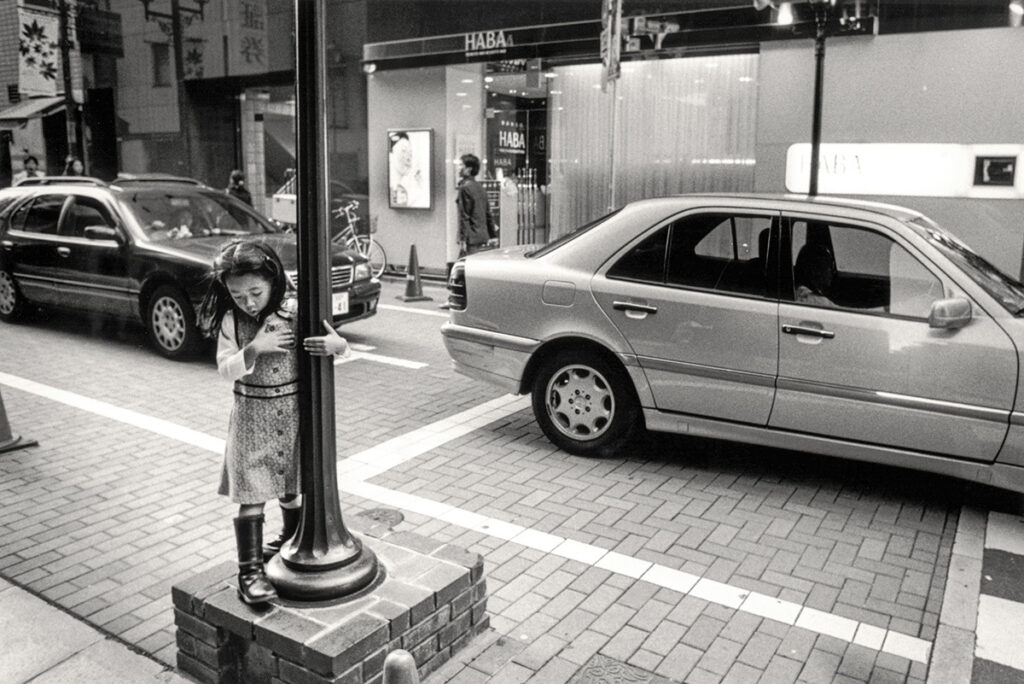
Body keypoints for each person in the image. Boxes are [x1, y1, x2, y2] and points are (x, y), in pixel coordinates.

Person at [198, 239, 352, 605]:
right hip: (252, 418)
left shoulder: (295, 312)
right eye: (238, 295)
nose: (248, 302)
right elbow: (224, 370)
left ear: (273, 282)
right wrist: (253, 349)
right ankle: (249, 572)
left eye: (255, 291)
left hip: (293, 413)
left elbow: (335, 346)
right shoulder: (231, 321)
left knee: (290, 485)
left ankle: (291, 540)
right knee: (252, 494)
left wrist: (338, 346)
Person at [456, 153, 498, 256]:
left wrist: (462, 239)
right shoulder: (480, 187)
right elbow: (488, 214)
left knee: (465, 267)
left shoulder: (464, 188)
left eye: (461, 165)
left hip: (471, 238)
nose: (459, 168)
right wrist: (493, 235)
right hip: (483, 236)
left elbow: (464, 216)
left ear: (469, 169)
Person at [388, 132, 427, 208]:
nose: (409, 157)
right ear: (391, 155)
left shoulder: (415, 188)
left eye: (410, 152)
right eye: (403, 151)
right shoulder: (388, 190)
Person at [793, 243, 836, 307]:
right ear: (815, 270)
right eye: (828, 267)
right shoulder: (814, 300)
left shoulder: (795, 293)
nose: (832, 272)